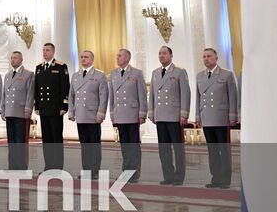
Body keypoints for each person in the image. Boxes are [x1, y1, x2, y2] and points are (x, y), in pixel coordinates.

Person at [194, 48, 238, 188]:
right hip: (207, 118)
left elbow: (233, 96)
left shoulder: (226, 75)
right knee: (212, 150)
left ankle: (225, 179)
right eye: (204, 56)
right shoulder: (200, 76)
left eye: (209, 56)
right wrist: (198, 116)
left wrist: (233, 116)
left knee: (223, 150)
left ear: (216, 58)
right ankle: (215, 178)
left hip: (221, 118)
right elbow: (198, 98)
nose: (206, 59)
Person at [149, 46, 190, 185]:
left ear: (171, 56)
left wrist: (184, 113)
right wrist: (151, 112)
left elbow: (185, 93)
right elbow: (152, 95)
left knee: (178, 148)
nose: (161, 56)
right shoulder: (155, 73)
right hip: (160, 115)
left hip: (174, 116)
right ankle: (168, 176)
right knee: (164, 148)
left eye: (164, 53)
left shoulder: (179, 72)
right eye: (159, 53)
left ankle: (179, 176)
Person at [108, 47, 147, 183]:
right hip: (120, 114)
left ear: (127, 58)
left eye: (120, 56)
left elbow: (142, 95)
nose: (117, 58)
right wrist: (112, 113)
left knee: (134, 144)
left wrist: (142, 113)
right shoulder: (113, 73)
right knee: (124, 144)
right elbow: (111, 96)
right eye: (117, 55)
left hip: (132, 113)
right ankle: (126, 170)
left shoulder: (136, 73)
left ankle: (135, 172)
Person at [68, 50, 108, 179]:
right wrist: (71, 111)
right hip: (80, 114)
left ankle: (94, 170)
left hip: (93, 115)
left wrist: (101, 113)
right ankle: (86, 170)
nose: (83, 59)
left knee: (94, 145)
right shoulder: (75, 75)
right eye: (82, 57)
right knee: (84, 145)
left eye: (86, 57)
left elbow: (103, 97)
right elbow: (71, 95)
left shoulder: (99, 76)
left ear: (92, 59)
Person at [34, 42, 70, 171]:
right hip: (44, 108)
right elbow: (36, 89)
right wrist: (36, 105)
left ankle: (58, 166)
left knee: (56, 138)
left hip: (55, 109)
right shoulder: (39, 68)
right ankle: (48, 165)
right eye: (43, 50)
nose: (44, 52)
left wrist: (64, 106)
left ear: (53, 52)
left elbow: (65, 88)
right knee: (46, 139)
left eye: (47, 50)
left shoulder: (61, 67)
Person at [1, 51, 34, 170]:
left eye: (15, 58)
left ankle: (22, 165)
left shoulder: (28, 74)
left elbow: (30, 93)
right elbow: (4, 94)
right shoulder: (8, 75)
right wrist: (2, 109)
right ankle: (12, 165)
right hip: (9, 112)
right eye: (11, 58)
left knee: (21, 141)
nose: (12, 60)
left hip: (21, 113)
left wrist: (28, 110)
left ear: (21, 60)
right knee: (12, 141)